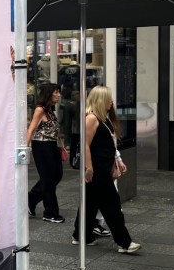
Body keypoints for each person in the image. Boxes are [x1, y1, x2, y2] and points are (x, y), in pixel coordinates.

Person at [72, 85, 141, 254]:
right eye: (108, 99)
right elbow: (85, 145)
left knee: (90, 203)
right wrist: (89, 168)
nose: (111, 102)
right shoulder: (91, 119)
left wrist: (117, 161)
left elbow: (109, 145)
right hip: (97, 169)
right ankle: (124, 242)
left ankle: (81, 235)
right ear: (100, 100)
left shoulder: (104, 119)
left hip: (102, 167)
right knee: (112, 205)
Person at [27, 83, 65, 223]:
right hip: (41, 145)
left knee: (56, 175)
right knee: (48, 178)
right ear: (49, 93)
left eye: (58, 92)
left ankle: (31, 199)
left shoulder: (50, 110)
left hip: (51, 145)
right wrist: (25, 148)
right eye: (56, 92)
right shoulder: (40, 110)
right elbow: (31, 129)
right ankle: (50, 212)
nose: (58, 95)